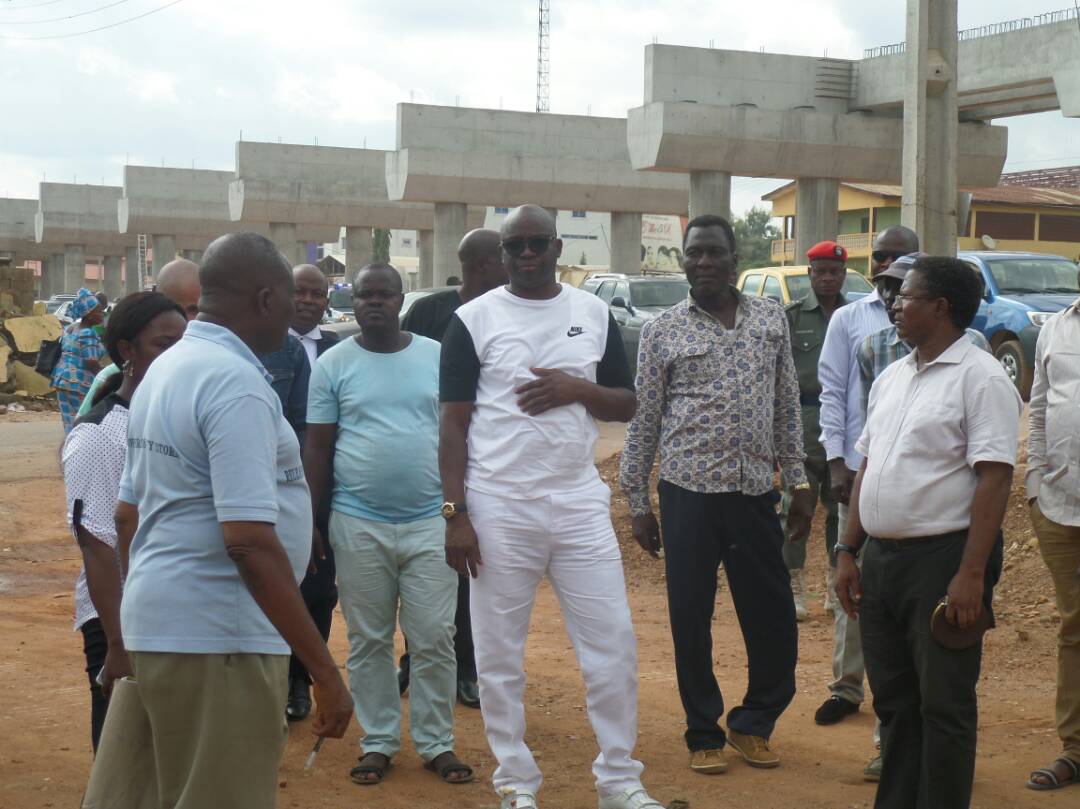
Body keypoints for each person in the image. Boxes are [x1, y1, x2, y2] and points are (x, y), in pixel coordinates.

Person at [112, 232, 353, 809]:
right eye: (289, 297)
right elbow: (246, 541)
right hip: (221, 638)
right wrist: (323, 670)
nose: (297, 310)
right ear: (266, 299)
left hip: (164, 626)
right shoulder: (233, 383)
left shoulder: (165, 370)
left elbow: (127, 516)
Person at [441, 205, 660, 809]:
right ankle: (515, 782)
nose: (528, 254)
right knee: (498, 654)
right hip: (499, 503)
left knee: (612, 644)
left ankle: (620, 780)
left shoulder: (592, 312)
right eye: (516, 246)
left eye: (538, 243)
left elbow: (626, 404)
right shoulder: (472, 320)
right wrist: (456, 514)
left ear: (558, 248)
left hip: (577, 500)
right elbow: (452, 424)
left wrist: (577, 390)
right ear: (502, 254)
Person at [620, 214, 810, 776]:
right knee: (690, 617)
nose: (703, 262)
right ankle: (702, 731)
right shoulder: (662, 331)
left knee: (773, 616)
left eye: (714, 252)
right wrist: (638, 503)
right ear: (683, 261)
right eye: (694, 253)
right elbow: (644, 421)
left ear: (734, 260)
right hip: (688, 495)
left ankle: (753, 722)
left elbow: (786, 405)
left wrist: (797, 480)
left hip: (753, 492)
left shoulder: (769, 319)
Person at [834, 255, 1021, 809]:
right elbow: (868, 467)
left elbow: (995, 479)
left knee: (943, 705)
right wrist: (848, 549)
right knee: (895, 702)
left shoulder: (981, 377)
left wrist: (970, 575)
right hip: (883, 563)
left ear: (940, 307)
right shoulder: (893, 376)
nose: (893, 304)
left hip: (944, 560)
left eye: (906, 296)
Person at [305, 263, 473, 787]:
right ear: (352, 302)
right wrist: (311, 520)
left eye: (384, 294)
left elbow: (460, 434)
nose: (374, 302)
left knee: (435, 638)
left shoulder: (436, 355)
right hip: (357, 522)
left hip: (431, 521)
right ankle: (377, 741)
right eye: (365, 295)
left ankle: (436, 743)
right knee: (369, 639)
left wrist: (459, 511)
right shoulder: (332, 364)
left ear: (402, 301)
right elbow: (318, 447)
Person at [61, 292, 187, 753]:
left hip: (178, 607)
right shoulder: (100, 433)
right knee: (123, 751)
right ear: (127, 352)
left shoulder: (179, 418)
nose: (177, 357)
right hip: (121, 617)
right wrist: (118, 642)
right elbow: (97, 545)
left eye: (184, 344)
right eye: (163, 345)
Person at [815, 226, 919, 735]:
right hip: (859, 474)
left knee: (901, 593)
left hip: (916, 485)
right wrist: (837, 461)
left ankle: (897, 702)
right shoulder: (850, 320)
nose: (886, 265)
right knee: (850, 580)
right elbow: (833, 392)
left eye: (899, 256)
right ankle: (846, 686)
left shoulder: (936, 318)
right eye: (880, 256)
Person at [397, 227, 507, 709]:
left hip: (488, 461)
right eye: (505, 256)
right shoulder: (429, 312)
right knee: (422, 568)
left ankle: (467, 667)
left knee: (470, 570)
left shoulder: (510, 310)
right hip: (430, 458)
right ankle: (415, 660)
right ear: (483, 265)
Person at [276, 263, 340, 722]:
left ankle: (302, 680)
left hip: (325, 490)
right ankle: (276, 676)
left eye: (318, 294)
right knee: (276, 582)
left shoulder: (339, 349)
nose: (308, 301)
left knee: (318, 589)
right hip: (272, 485)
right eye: (300, 292)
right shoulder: (260, 348)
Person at [1025, 280, 1080, 791]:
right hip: (1060, 505)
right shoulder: (1056, 328)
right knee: (1074, 628)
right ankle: (1075, 748)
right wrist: (1034, 484)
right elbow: (1039, 409)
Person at [781, 241, 848, 621]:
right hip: (802, 420)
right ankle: (793, 586)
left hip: (844, 421)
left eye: (834, 272)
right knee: (795, 506)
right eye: (820, 272)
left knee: (840, 506)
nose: (827, 278)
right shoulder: (791, 317)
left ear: (844, 275)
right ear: (809, 274)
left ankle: (835, 584)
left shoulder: (853, 315)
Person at [76, 258, 201, 419]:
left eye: (199, 309)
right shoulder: (110, 386)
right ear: (127, 350)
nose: (193, 320)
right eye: (164, 344)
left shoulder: (208, 372)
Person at [52, 288, 108, 432]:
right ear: (89, 315)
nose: (102, 313)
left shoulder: (71, 328)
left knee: (69, 422)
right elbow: (91, 363)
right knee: (84, 422)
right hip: (79, 382)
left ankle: (69, 444)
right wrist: (107, 379)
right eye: (99, 311)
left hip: (62, 379)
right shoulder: (88, 333)